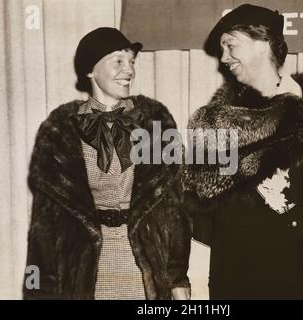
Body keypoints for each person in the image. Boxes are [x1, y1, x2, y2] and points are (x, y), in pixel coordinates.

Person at [181, 4, 303, 299]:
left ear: (262, 44)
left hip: (291, 284)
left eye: (231, 46)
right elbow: (204, 214)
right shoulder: (215, 120)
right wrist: (196, 285)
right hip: (227, 285)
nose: (224, 58)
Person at [23, 27, 191, 300]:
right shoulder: (59, 130)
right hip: (84, 272)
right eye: (118, 62)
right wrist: (40, 292)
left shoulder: (156, 122)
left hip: (143, 270)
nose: (129, 71)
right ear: (90, 70)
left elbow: (175, 211)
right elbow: (43, 226)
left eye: (132, 62)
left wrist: (177, 278)